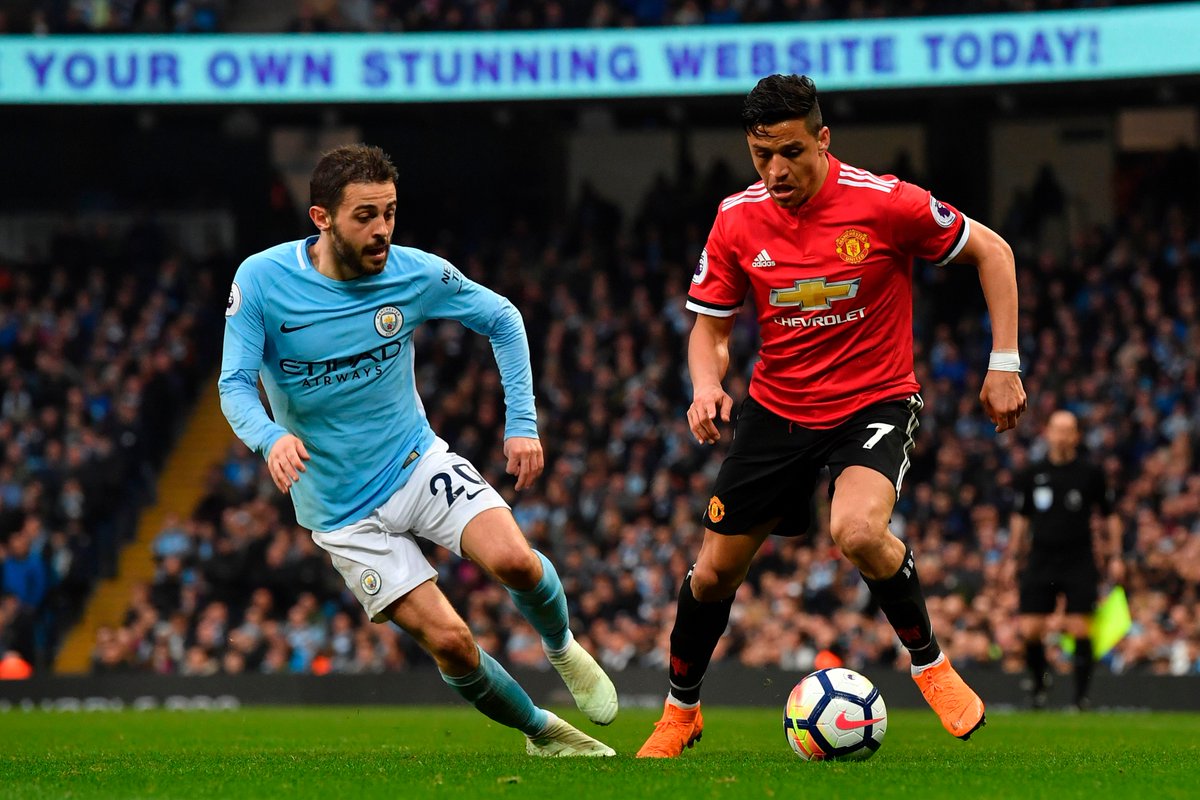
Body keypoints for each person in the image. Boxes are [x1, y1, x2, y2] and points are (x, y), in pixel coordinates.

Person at [637, 74, 1026, 758]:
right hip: (777, 410)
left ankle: (931, 666)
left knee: (857, 530)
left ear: (823, 138)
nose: (776, 171)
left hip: (874, 401)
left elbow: (994, 251)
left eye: (791, 152)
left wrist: (1005, 362)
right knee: (712, 574)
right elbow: (711, 328)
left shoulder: (886, 203)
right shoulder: (736, 218)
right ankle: (680, 710)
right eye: (762, 156)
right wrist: (705, 385)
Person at [219, 144, 617, 757]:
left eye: (389, 212)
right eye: (365, 216)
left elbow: (503, 318)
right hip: (341, 512)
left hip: (414, 463)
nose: (381, 229)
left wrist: (521, 422)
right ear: (321, 218)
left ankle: (561, 646)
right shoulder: (263, 281)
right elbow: (234, 385)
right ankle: (542, 732)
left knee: (515, 560)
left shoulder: (414, 274)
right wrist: (270, 437)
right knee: (452, 643)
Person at [1008, 410, 1123, 710]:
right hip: (1041, 556)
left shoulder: (1090, 473)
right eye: (1056, 429)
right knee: (1030, 629)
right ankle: (1039, 685)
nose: (1061, 436)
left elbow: (1110, 515)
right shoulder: (1032, 473)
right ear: (1047, 433)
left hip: (1078, 557)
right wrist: (1012, 557)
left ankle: (1081, 697)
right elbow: (1020, 517)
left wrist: (1115, 556)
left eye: (1067, 430)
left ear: (1076, 436)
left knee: (1080, 627)